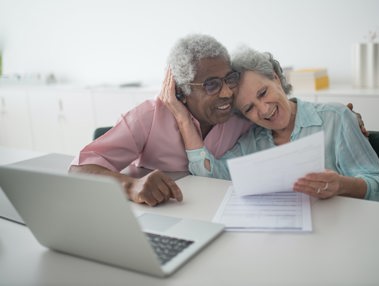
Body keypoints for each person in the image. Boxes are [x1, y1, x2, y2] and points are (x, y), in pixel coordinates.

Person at [162, 47, 379, 202]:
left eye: (263, 93)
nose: (263, 110)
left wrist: (341, 185)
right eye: (249, 108)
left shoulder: (335, 118)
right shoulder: (251, 142)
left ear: (275, 78)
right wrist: (183, 119)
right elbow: (209, 178)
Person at [69, 34, 253, 206]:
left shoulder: (242, 116)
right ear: (181, 91)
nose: (227, 92)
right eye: (211, 85)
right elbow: (79, 170)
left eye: (230, 79)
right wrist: (131, 186)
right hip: (161, 214)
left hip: (220, 210)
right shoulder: (148, 117)